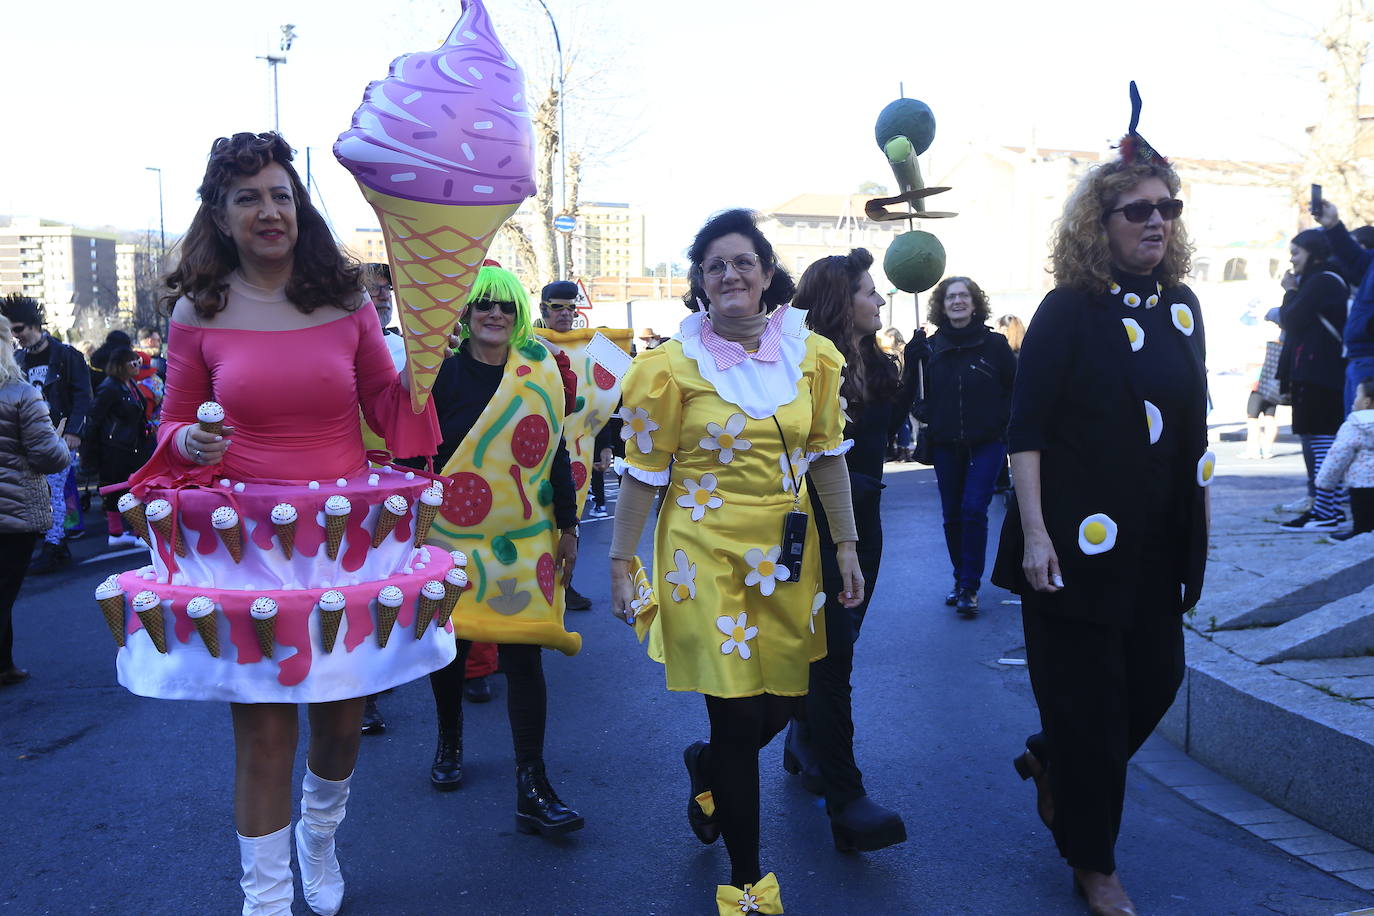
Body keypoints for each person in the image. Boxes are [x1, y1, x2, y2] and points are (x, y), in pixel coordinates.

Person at [109, 131, 449, 916]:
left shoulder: (346, 300)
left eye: (281, 195)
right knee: (264, 735)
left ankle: (319, 843)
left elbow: (393, 415)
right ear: (221, 217)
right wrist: (188, 439)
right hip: (251, 555)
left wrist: (425, 362)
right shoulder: (200, 310)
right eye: (249, 198)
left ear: (300, 207)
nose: (270, 211)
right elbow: (170, 426)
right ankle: (264, 901)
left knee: (337, 728)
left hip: (341, 548)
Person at [991, 88, 1211, 915]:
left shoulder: (1184, 311)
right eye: (1136, 210)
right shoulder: (1066, 311)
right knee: (1091, 706)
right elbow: (1026, 430)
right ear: (1099, 225)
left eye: (1167, 208)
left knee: (1158, 680)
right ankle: (1094, 861)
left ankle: (1057, 763)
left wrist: (1202, 532)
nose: (1155, 222)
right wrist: (1037, 535)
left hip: (1157, 547)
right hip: (1073, 553)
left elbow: (1190, 436)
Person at [608, 209, 863, 914]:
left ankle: (710, 768)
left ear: (767, 274)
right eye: (714, 265)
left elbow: (829, 459)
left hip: (786, 553)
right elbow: (641, 473)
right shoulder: (665, 369)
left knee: (782, 702)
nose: (729, 275)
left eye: (742, 262)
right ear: (699, 283)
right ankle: (750, 885)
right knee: (735, 714)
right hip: (703, 556)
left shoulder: (812, 357)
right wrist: (621, 559)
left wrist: (845, 546)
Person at [419, 266, 585, 837]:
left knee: (525, 657)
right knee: (454, 645)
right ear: (465, 314)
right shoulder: (441, 376)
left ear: (518, 316)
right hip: (453, 536)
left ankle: (532, 783)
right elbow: (416, 455)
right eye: (484, 305)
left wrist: (569, 524)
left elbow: (556, 450)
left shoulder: (537, 373)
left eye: (507, 307)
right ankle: (449, 739)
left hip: (525, 537)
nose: (495, 315)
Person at [781, 248, 909, 853]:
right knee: (831, 658)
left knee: (836, 648)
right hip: (816, 526)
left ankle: (756, 749)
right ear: (840, 300)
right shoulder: (800, 363)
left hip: (869, 521)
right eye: (867, 291)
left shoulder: (875, 361)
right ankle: (846, 798)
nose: (879, 300)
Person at [913, 276, 1016, 616]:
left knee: (974, 509)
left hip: (986, 443)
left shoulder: (995, 345)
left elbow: (1014, 390)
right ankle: (960, 579)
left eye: (964, 296)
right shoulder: (930, 347)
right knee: (952, 516)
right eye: (951, 297)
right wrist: (915, 382)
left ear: (975, 304)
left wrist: (1002, 425)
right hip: (945, 444)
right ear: (941, 305)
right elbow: (913, 394)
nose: (957, 301)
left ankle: (969, 586)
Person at [0, 321, 71, 686]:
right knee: (5, 588)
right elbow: (49, 457)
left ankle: (5, 664)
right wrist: (60, 442)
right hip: (14, 511)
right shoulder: (20, 394)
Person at [2, 294, 92, 574]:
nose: (17, 336)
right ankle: (57, 544)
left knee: (53, 490)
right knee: (42, 491)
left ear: (34, 324)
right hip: (31, 436)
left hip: (61, 434)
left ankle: (52, 546)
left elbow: (84, 397)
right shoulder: (17, 358)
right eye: (12, 331)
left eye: (19, 329)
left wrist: (75, 432)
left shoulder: (66, 355)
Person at [1276, 229, 1348, 531]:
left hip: (1316, 370)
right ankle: (1327, 508)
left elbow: (1291, 319)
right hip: (1323, 370)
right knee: (1323, 442)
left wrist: (1289, 291)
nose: (1292, 259)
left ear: (1313, 253)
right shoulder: (1328, 279)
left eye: (1296, 253)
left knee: (1320, 442)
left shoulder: (1320, 281)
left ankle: (1325, 512)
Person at [535, 279, 592, 610]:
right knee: (543, 516)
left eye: (572, 307)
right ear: (544, 309)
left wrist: (604, 447)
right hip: (541, 448)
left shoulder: (592, 344)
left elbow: (615, 390)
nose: (567, 314)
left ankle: (566, 583)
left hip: (581, 446)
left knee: (574, 516)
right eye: (559, 307)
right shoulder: (527, 342)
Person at [82, 347, 154, 547]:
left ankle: (126, 532)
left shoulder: (129, 384)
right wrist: (91, 451)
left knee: (131, 488)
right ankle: (130, 532)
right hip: (116, 448)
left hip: (132, 446)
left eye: (138, 361)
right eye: (133, 362)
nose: (137, 365)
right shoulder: (110, 388)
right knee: (122, 489)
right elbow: (94, 419)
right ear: (121, 365)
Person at [1317, 378, 1374, 541]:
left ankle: (1360, 535)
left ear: (1366, 402)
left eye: (1357, 396)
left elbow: (1338, 456)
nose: (1354, 399)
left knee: (1363, 522)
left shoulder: (1354, 425)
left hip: (1362, 486)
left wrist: (1325, 482)